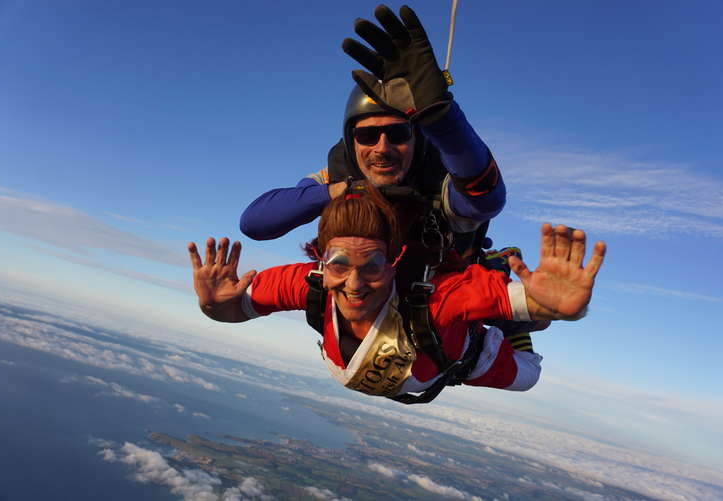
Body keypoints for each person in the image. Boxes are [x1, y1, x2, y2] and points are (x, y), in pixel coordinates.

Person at [189, 186, 606, 403]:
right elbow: (236, 307)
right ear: (319, 259)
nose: (353, 285)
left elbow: (539, 305)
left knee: (528, 373)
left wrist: (557, 306)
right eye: (338, 266)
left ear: (394, 260)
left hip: (468, 354)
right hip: (430, 359)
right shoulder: (308, 283)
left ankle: (492, 270)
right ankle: (490, 274)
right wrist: (213, 307)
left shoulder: (442, 299)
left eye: (371, 266)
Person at [239, 5, 504, 264]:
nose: (382, 148)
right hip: (362, 293)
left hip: (440, 297)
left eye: (398, 133)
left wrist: (443, 122)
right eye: (367, 136)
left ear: (418, 139)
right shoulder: (337, 175)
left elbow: (485, 201)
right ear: (350, 141)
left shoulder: (442, 178)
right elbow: (255, 223)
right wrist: (346, 189)